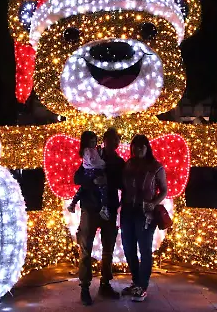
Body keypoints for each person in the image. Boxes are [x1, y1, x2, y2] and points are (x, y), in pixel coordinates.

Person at [73, 128, 124, 305]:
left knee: (108, 248)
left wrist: (108, 182)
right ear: (104, 141)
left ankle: (105, 283)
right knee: (85, 248)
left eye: (116, 140)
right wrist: (93, 181)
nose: (114, 143)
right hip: (89, 208)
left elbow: (123, 184)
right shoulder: (93, 154)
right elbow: (77, 177)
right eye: (110, 139)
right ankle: (85, 287)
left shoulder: (119, 162)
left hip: (108, 209)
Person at [120, 134, 167, 302]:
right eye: (135, 146)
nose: (138, 149)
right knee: (128, 247)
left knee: (145, 249)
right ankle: (136, 282)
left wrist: (153, 203)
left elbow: (164, 190)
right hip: (127, 212)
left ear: (147, 148)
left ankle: (142, 286)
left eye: (141, 146)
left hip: (145, 215)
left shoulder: (155, 167)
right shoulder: (128, 165)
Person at [68, 132, 110, 220]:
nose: (94, 144)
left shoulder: (96, 151)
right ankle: (104, 207)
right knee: (102, 189)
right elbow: (77, 179)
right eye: (92, 142)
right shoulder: (88, 152)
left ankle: (73, 203)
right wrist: (92, 180)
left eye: (95, 141)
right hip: (89, 205)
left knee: (83, 189)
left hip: (91, 203)